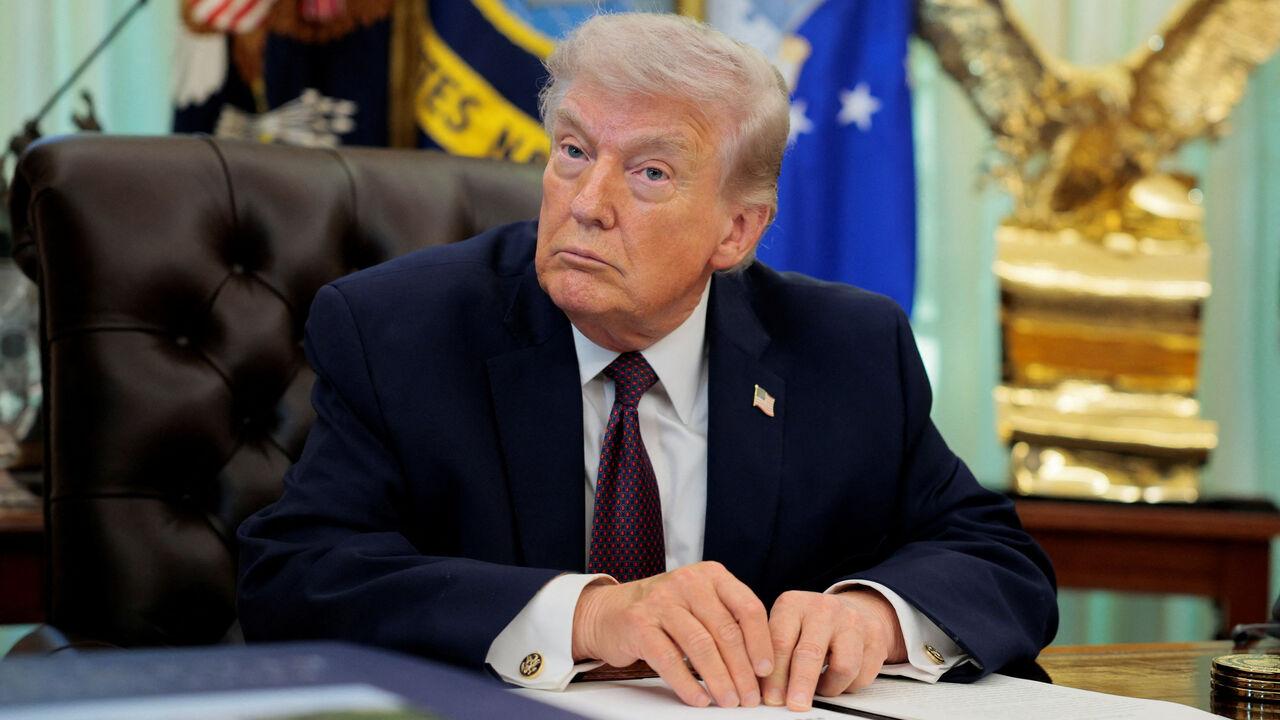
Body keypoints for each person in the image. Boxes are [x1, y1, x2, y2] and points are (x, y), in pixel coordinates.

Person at [237, 12, 1057, 713]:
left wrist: (876, 615)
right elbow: (297, 576)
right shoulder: (400, 329)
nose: (587, 204)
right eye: (572, 151)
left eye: (650, 173)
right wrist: (587, 616)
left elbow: (998, 560)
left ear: (737, 232)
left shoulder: (846, 349)